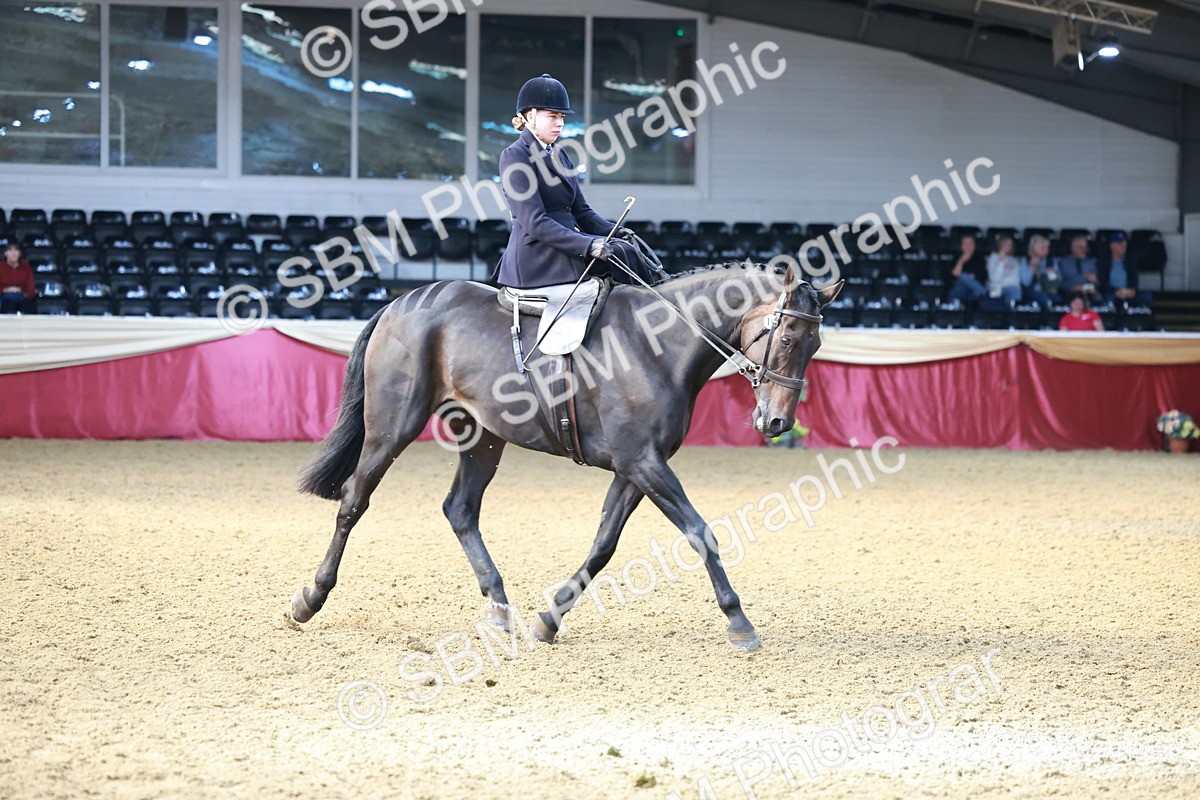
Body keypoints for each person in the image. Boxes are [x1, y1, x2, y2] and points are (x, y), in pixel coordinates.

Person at [494, 74, 658, 289]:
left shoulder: (560, 154)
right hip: (538, 256)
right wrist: (588, 244)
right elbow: (534, 222)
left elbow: (581, 211)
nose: (560, 124)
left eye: (562, 117)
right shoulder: (515, 156)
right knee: (618, 253)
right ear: (531, 116)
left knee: (625, 249)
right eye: (552, 116)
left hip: (566, 246)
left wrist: (615, 231)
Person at [1097, 231, 1150, 307]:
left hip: (1127, 291)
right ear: (1112, 245)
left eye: (1125, 244)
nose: (1123, 246)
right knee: (1109, 298)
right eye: (1120, 244)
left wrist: (1132, 290)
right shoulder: (1104, 262)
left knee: (1146, 297)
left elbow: (1134, 278)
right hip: (1111, 292)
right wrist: (1115, 291)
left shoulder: (1130, 261)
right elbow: (1102, 281)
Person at [1020, 234, 1060, 308]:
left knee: (1058, 301)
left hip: (1049, 290)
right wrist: (1031, 268)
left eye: (1046, 247)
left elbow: (1056, 282)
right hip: (1031, 292)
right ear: (1033, 248)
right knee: (1045, 301)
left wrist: (1050, 274)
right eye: (1042, 247)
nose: (1045, 249)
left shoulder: (1051, 261)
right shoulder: (1025, 261)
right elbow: (1025, 282)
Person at [946, 234, 988, 304]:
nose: (968, 246)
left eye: (970, 244)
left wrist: (966, 277)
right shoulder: (955, 258)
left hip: (974, 291)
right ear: (961, 246)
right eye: (965, 244)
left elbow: (982, 276)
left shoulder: (980, 259)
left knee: (962, 278)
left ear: (974, 246)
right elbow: (953, 275)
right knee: (961, 280)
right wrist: (961, 261)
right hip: (959, 291)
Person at [1055, 235, 1099, 299]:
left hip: (1087, 293)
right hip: (1068, 293)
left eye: (1085, 247)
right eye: (1080, 247)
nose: (1084, 250)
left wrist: (1084, 288)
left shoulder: (1091, 262)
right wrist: (1072, 288)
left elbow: (1096, 285)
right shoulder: (1064, 262)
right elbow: (1060, 283)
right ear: (1073, 248)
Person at [0, 243, 36, 314]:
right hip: (4, 297)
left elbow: (31, 289)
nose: (13, 253)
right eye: (10, 250)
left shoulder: (26, 268)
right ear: (5, 253)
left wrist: (21, 290)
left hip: (22, 296)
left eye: (16, 250)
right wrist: (5, 290)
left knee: (27, 306)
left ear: (19, 253)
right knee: (8, 305)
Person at [986, 234, 1021, 304]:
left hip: (1013, 288)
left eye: (1010, 244)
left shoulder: (1014, 261)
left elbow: (1016, 280)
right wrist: (1001, 262)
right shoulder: (993, 258)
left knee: (1015, 290)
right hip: (997, 288)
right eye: (1006, 244)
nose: (1008, 246)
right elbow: (994, 279)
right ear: (1000, 245)